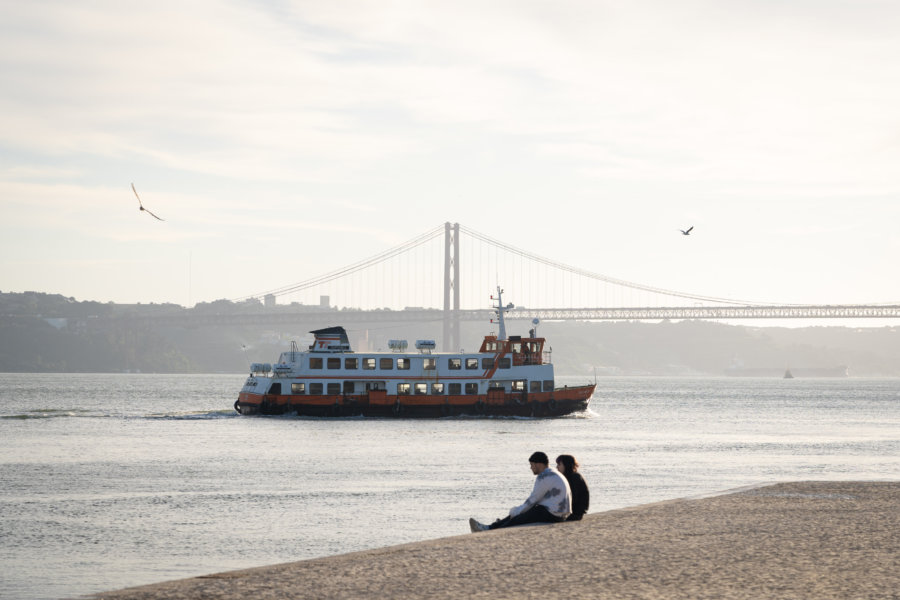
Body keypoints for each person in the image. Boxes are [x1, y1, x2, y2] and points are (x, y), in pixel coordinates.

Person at [469, 451, 571, 532]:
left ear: (538, 464)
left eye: (532, 465)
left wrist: (515, 511)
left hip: (553, 514)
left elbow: (532, 500)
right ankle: (490, 527)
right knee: (524, 513)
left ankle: (490, 530)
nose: (530, 468)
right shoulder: (554, 473)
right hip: (562, 514)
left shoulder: (543, 476)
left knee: (519, 517)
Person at [556, 454, 589, 521]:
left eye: (559, 464)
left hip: (574, 513)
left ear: (566, 465)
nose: (557, 467)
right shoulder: (569, 477)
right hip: (572, 512)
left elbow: (573, 498)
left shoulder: (574, 478)